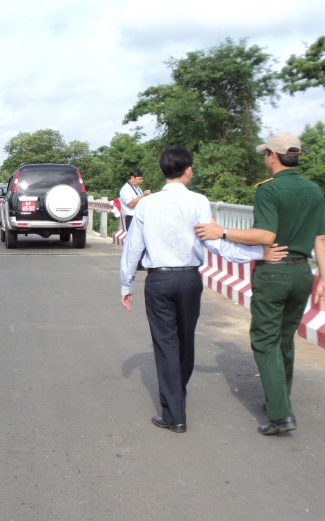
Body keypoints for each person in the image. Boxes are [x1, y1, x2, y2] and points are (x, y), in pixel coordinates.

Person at [120, 146, 283, 433]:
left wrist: (126, 282)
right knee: (185, 341)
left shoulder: (146, 204)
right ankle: (177, 395)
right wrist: (258, 253)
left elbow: (134, 247)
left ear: (162, 172)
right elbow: (217, 243)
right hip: (189, 280)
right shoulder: (199, 202)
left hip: (158, 280)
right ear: (189, 171)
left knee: (166, 344)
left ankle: (175, 414)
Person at [195, 131, 325, 435]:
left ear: (273, 156)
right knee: (284, 340)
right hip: (301, 274)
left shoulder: (268, 191)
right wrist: (324, 279)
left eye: (265, 153)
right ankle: (278, 400)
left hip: (274, 273)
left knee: (264, 340)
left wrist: (223, 232)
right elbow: (320, 239)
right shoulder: (314, 190)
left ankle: (280, 414)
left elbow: (265, 237)